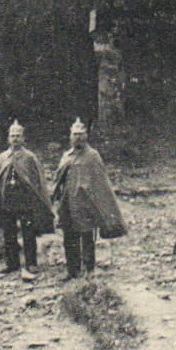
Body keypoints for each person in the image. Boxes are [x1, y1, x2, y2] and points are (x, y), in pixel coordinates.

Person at [0, 120, 53, 280]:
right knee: (9, 234)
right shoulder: (3, 157)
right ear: (8, 138)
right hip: (7, 201)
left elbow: (36, 181)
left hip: (25, 201)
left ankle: (31, 263)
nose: (15, 139)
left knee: (28, 233)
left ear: (23, 138)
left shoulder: (29, 157)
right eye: (12, 136)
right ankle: (12, 264)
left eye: (18, 136)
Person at [51, 118, 126, 278]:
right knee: (69, 238)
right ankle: (72, 270)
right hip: (68, 203)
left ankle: (89, 270)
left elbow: (101, 183)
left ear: (86, 136)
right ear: (70, 137)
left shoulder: (92, 156)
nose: (77, 137)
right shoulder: (66, 155)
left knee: (87, 239)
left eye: (81, 134)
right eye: (75, 134)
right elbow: (59, 179)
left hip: (86, 205)